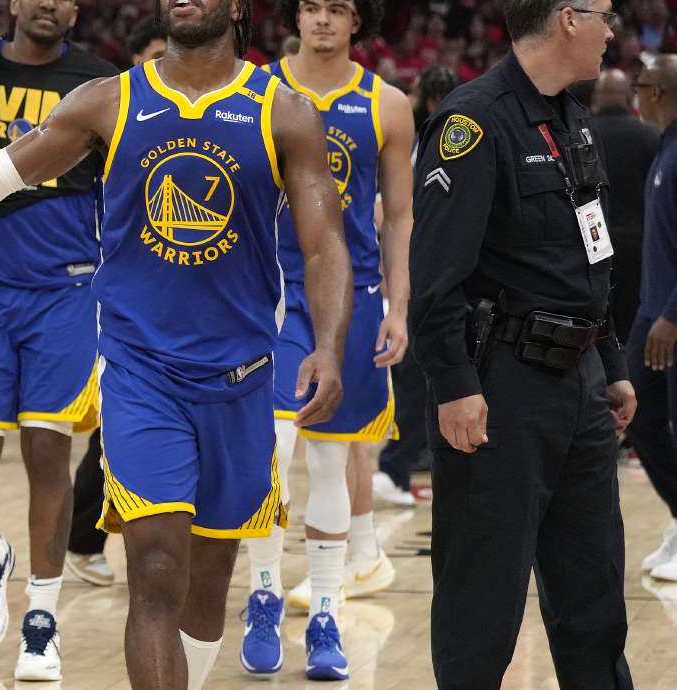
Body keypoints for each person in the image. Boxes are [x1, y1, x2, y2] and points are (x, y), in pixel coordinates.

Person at [0, 1, 355, 687]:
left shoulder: (282, 111)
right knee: (157, 571)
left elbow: (323, 246)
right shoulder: (110, 101)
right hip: (143, 377)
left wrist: (329, 345)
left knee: (206, 587)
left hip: (243, 377)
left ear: (237, 7)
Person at [409, 1, 635, 688]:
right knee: (482, 605)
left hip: (582, 389)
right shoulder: (474, 123)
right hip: (500, 388)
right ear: (568, 19)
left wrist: (614, 363)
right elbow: (435, 279)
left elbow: (591, 259)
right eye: (604, 15)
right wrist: (454, 387)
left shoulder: (573, 120)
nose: (612, 30)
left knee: (594, 603)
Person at [0, 0, 116, 680]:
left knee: (48, 453)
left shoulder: (101, 84)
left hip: (65, 293)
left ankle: (42, 621)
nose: (50, 3)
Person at [246, 0, 413, 680]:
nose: (320, 19)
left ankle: (323, 610)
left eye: (335, 8)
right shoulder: (257, 90)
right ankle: (260, 595)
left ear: (356, 22)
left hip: (353, 298)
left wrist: (398, 304)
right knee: (274, 445)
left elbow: (399, 216)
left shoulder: (388, 104)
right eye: (310, 6)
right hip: (273, 295)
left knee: (329, 459)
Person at [64, 14, 168, 591]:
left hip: (178, 298)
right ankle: (85, 537)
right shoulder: (108, 121)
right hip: (110, 295)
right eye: (151, 58)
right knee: (110, 430)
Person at [375, 64, 459, 507]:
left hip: (421, 279)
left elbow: (383, 215)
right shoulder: (442, 142)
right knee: (419, 378)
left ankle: (401, 463)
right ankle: (397, 465)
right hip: (435, 279)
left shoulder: (422, 147)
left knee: (418, 379)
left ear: (426, 99)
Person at [625, 55, 677, 581]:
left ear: (657, 92)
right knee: (636, 413)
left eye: (640, 86)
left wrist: (672, 315)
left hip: (671, 317)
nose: (634, 95)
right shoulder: (664, 146)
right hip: (651, 311)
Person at [592, 68, 660, 345]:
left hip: (593, 243)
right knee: (632, 325)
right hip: (637, 243)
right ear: (629, 96)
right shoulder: (651, 136)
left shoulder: (580, 133)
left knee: (597, 323)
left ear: (597, 97)